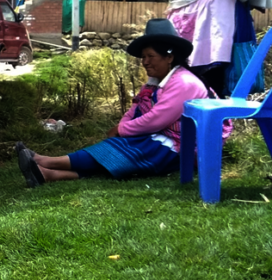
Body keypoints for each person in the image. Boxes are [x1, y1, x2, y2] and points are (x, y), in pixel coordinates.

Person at [16, 19, 228, 187]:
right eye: (143, 57)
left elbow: (157, 119)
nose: (145, 62)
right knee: (123, 150)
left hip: (186, 147)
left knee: (127, 149)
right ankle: (48, 174)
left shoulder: (184, 83)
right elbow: (136, 108)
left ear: (169, 57)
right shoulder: (156, 83)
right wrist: (123, 127)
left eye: (150, 56)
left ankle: (46, 161)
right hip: (164, 138)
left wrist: (122, 130)